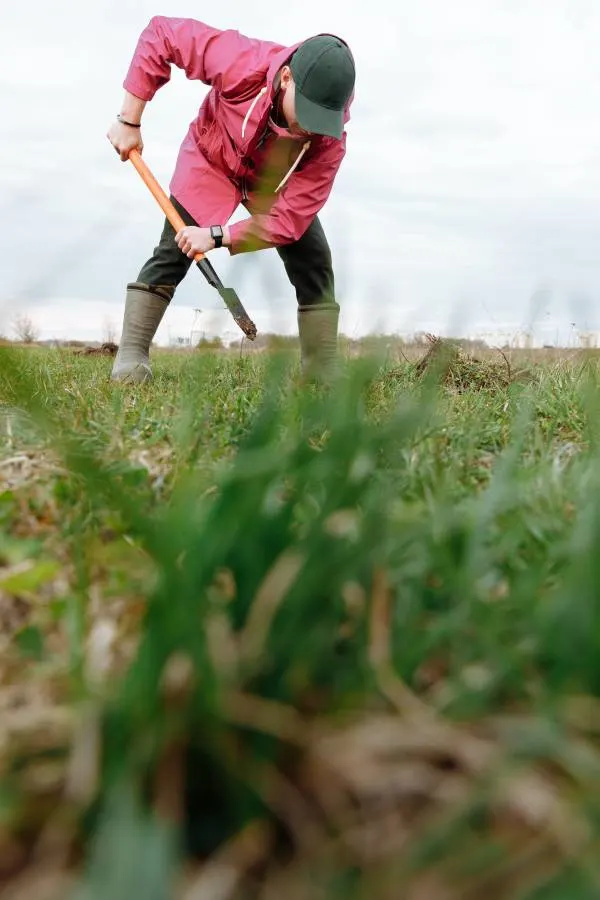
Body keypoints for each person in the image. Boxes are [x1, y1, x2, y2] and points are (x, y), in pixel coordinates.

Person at [106, 17, 356, 383]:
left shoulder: (329, 141)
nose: (312, 127)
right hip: (213, 160)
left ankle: (321, 369)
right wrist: (130, 120)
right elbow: (162, 34)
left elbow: (289, 219)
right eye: (306, 111)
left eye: (323, 119)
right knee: (171, 253)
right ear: (285, 78)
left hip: (272, 186)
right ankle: (131, 355)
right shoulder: (242, 61)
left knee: (315, 260)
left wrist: (219, 236)